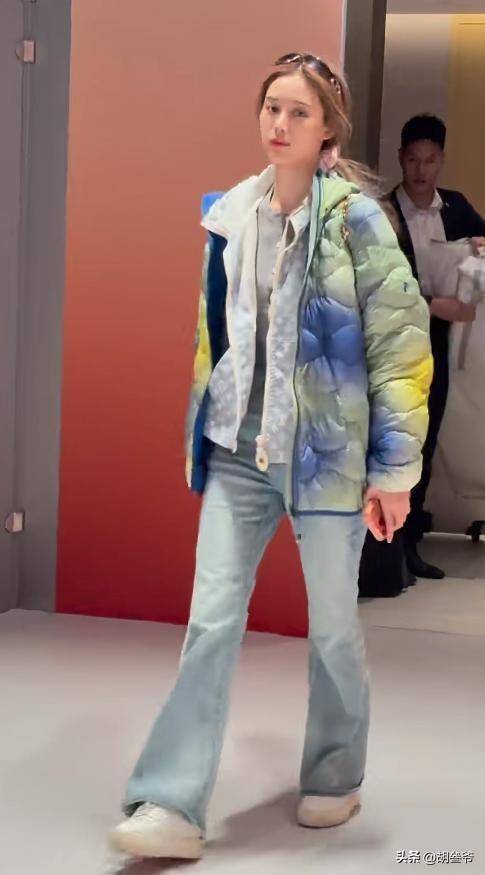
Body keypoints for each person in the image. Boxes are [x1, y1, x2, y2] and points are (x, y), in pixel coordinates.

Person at [110, 53, 432, 861]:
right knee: (211, 621)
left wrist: (393, 470)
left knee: (332, 628)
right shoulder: (231, 213)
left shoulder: (357, 221)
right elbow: (217, 339)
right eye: (271, 108)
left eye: (298, 112)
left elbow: (400, 343)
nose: (279, 124)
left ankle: (334, 773)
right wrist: (203, 424)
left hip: (325, 456)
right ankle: (170, 801)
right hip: (238, 449)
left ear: (327, 129)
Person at [390, 114, 485, 580]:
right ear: (400, 159)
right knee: (397, 444)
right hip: (393, 344)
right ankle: (387, 550)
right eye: (413, 160)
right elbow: (376, 285)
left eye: (429, 161)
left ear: (441, 160)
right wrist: (431, 305)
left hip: (440, 346)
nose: (421, 170)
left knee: (426, 443)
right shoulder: (384, 211)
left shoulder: (456, 206)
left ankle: (409, 544)